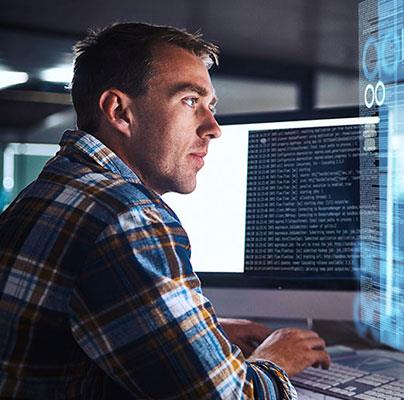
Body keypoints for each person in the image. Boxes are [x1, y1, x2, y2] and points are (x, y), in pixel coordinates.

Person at [0, 22, 330, 399]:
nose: (213, 128)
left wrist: (204, 332)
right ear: (119, 112)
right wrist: (277, 358)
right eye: (190, 101)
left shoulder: (51, 191)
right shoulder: (126, 216)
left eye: (211, 106)